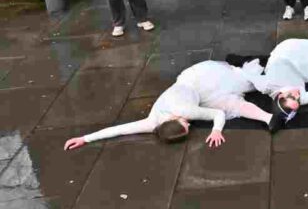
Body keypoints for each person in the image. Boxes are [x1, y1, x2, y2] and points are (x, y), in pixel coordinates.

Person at [64, 59, 275, 150]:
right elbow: (120, 130)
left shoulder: (185, 111)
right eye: (187, 128)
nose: (190, 125)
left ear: (175, 119)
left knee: (249, 84)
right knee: (236, 105)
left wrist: (217, 130)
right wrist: (85, 139)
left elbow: (217, 114)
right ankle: (269, 119)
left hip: (203, 80)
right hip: (198, 94)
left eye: (185, 125)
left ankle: (264, 105)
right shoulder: (152, 122)